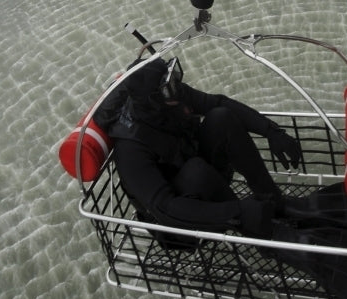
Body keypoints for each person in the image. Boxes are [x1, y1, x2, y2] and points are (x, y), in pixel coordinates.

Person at [93, 55, 302, 240]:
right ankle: (261, 233)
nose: (176, 87)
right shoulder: (130, 148)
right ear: (154, 100)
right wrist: (239, 212)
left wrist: (271, 131)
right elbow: (165, 208)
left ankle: (274, 202)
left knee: (222, 118)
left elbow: (218, 102)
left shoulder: (169, 97)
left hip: (201, 178)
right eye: (169, 87)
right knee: (197, 171)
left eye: (173, 77)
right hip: (178, 226)